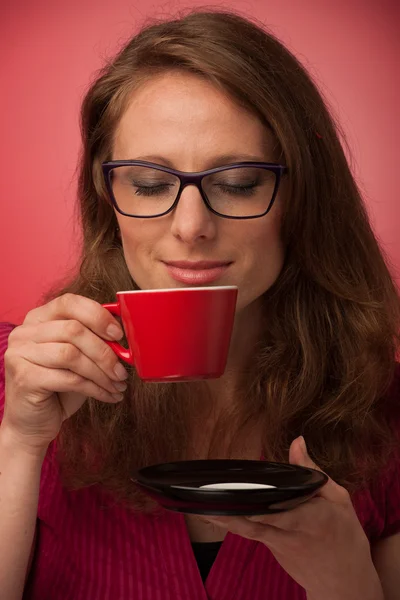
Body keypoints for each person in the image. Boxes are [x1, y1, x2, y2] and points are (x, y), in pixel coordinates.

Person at [0, 9, 399, 600]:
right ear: (104, 192)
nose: (190, 226)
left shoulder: (386, 413)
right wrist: (19, 443)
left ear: (302, 197)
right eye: (149, 183)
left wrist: (346, 579)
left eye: (238, 183)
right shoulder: (20, 377)